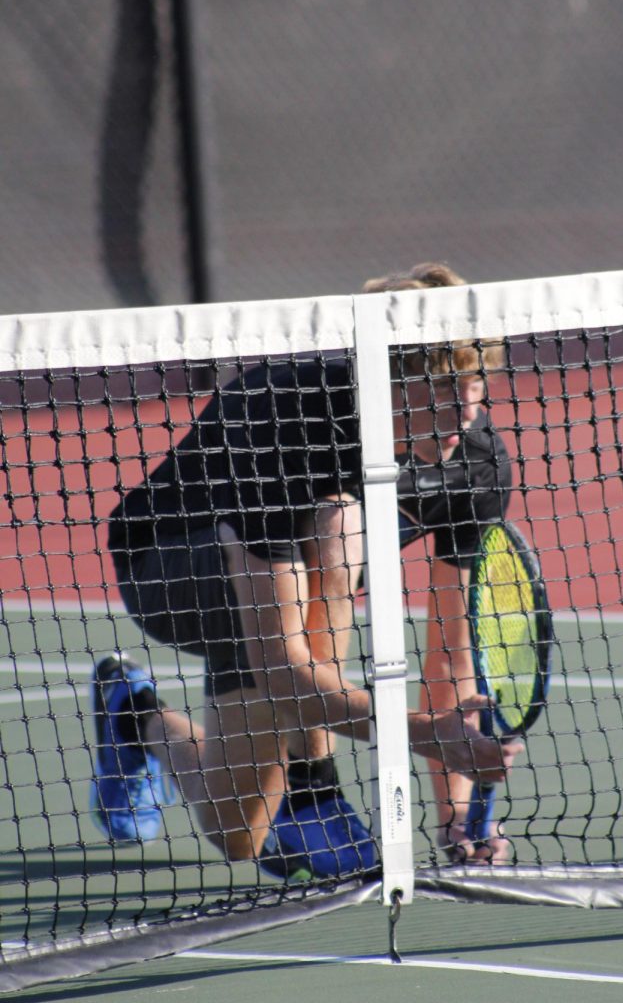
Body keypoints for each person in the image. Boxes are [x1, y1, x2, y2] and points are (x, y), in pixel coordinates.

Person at [95, 263, 519, 882]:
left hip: (279, 592)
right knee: (339, 523)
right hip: (169, 569)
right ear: (387, 379)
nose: (467, 406)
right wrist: (422, 735)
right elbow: (280, 666)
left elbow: (450, 659)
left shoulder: (476, 464)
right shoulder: (289, 420)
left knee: (239, 832)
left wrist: (456, 812)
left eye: (476, 380)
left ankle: (133, 718)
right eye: (443, 385)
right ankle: (313, 791)